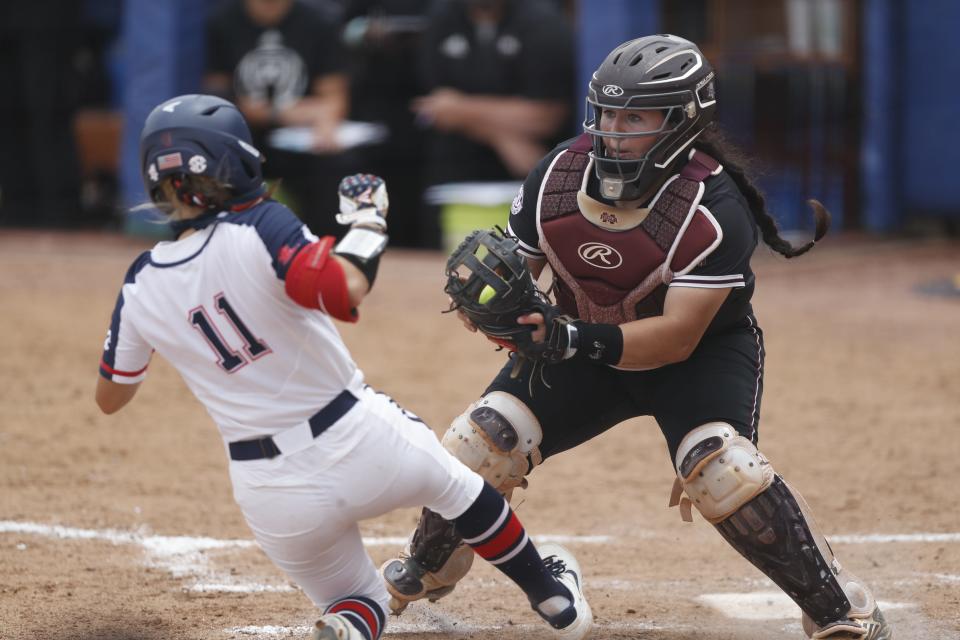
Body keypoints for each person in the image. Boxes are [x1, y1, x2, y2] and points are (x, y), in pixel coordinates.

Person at [381, 35, 895, 640]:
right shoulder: (557, 176)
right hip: (577, 344)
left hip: (696, 360)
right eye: (606, 113)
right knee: (483, 437)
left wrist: (569, 336)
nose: (613, 130)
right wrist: (492, 309)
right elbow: (525, 274)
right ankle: (428, 565)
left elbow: (677, 338)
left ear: (683, 122)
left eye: (635, 116)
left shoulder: (710, 208)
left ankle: (839, 607)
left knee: (720, 466)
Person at [93, 94, 592, 640]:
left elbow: (111, 395)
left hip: (267, 489)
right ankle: (553, 600)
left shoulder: (141, 281)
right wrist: (368, 219)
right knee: (465, 493)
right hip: (356, 437)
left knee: (359, 599)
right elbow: (346, 289)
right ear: (233, 163)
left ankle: (348, 629)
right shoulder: (260, 224)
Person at [412, 0, 575, 247]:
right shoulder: (442, 16)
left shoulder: (543, 21)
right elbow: (435, 108)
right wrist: (502, 137)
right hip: (456, 173)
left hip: (530, 174)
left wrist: (460, 108)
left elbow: (546, 115)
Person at [204, 0, 351, 236]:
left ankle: (325, 248)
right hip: (246, 138)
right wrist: (277, 113)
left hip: (301, 143)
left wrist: (322, 121)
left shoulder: (320, 22)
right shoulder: (222, 22)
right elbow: (216, 97)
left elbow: (333, 100)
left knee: (334, 163)